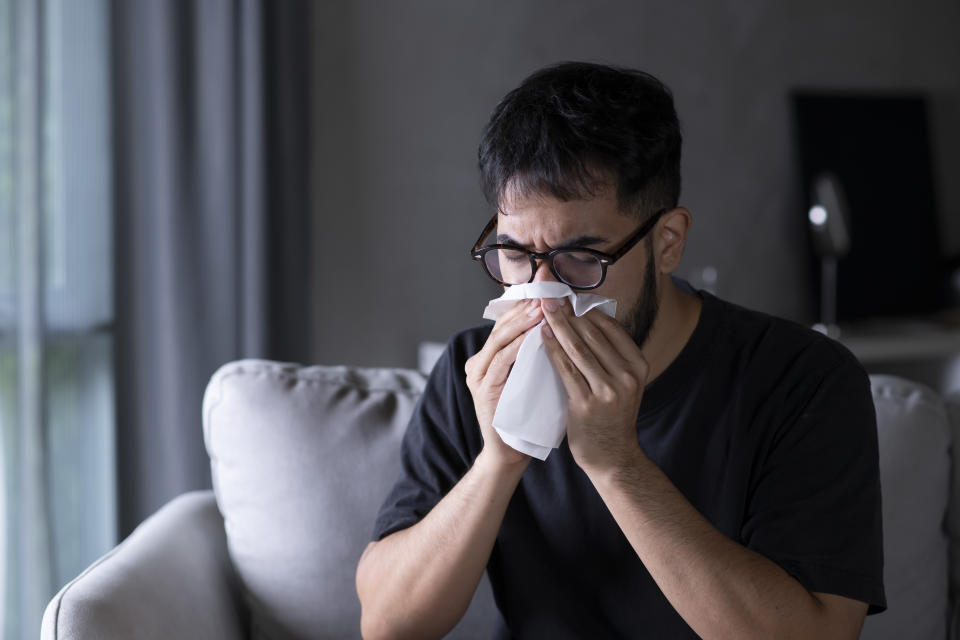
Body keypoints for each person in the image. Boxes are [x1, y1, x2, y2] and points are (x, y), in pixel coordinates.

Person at [355, 61, 885, 639]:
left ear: (667, 243)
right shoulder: (476, 372)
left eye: (582, 259)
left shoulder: (801, 379)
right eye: (514, 255)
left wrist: (618, 465)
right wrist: (499, 460)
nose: (543, 295)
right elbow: (388, 625)